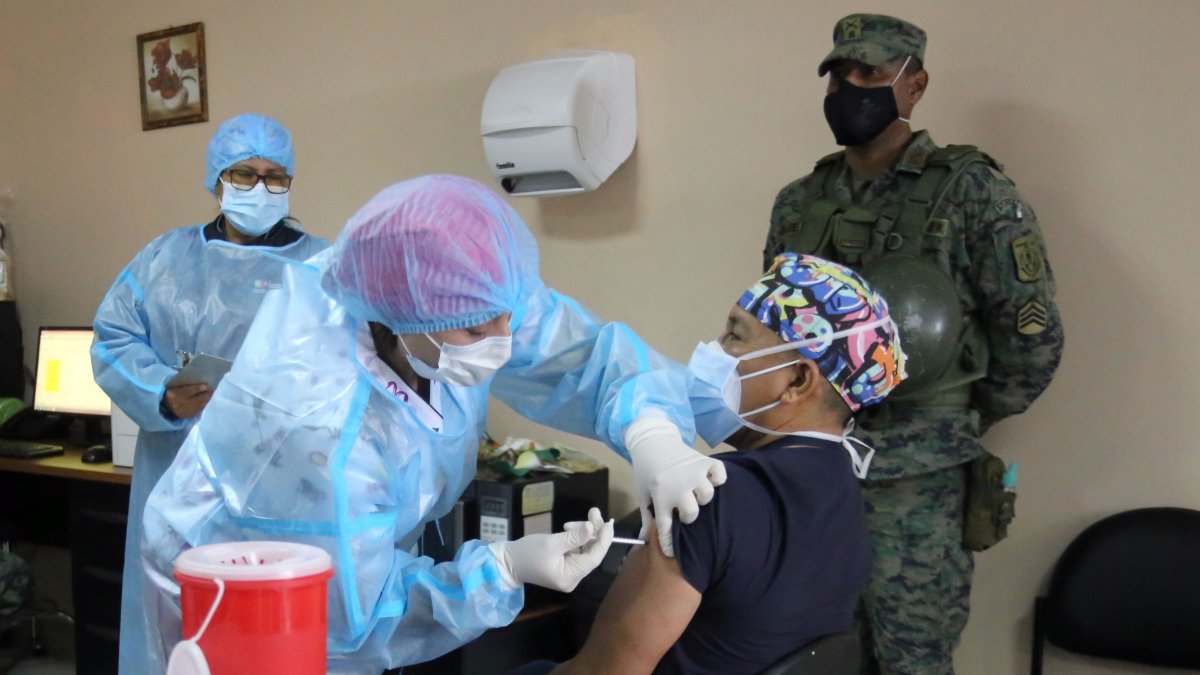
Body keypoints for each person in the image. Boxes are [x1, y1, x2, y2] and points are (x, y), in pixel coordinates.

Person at [141, 175, 727, 674]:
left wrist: (653, 436)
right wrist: (504, 568)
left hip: (346, 552)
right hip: (245, 593)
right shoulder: (319, 422)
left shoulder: (457, 295)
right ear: (397, 318)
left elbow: (592, 359)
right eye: (476, 332)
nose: (503, 341)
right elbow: (356, 622)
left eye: (508, 318)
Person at [765, 14, 1064, 673]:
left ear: (915, 84)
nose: (851, 87)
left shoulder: (974, 193)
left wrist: (953, 417)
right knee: (811, 654)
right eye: (840, 74)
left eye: (870, 73)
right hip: (813, 472)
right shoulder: (799, 202)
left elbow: (1031, 339)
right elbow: (772, 333)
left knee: (912, 660)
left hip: (919, 486)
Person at [508, 252, 906, 675]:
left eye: (735, 335)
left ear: (797, 381)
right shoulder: (846, 491)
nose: (714, 350)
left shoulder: (706, 496)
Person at [90, 112, 329, 675]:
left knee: (272, 630)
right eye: (243, 174)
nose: (259, 187)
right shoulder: (165, 261)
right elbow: (113, 337)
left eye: (275, 176)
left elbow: (353, 358)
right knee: (177, 625)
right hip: (178, 473)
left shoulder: (323, 265)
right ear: (216, 179)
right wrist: (161, 395)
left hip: (284, 483)